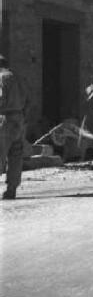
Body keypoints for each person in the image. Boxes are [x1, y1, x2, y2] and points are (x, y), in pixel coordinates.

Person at [0, 55, 28, 200]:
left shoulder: (1, 77)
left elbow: (1, 99)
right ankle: (11, 189)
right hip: (19, 118)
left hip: (4, 118)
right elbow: (27, 99)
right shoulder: (18, 78)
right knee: (16, 156)